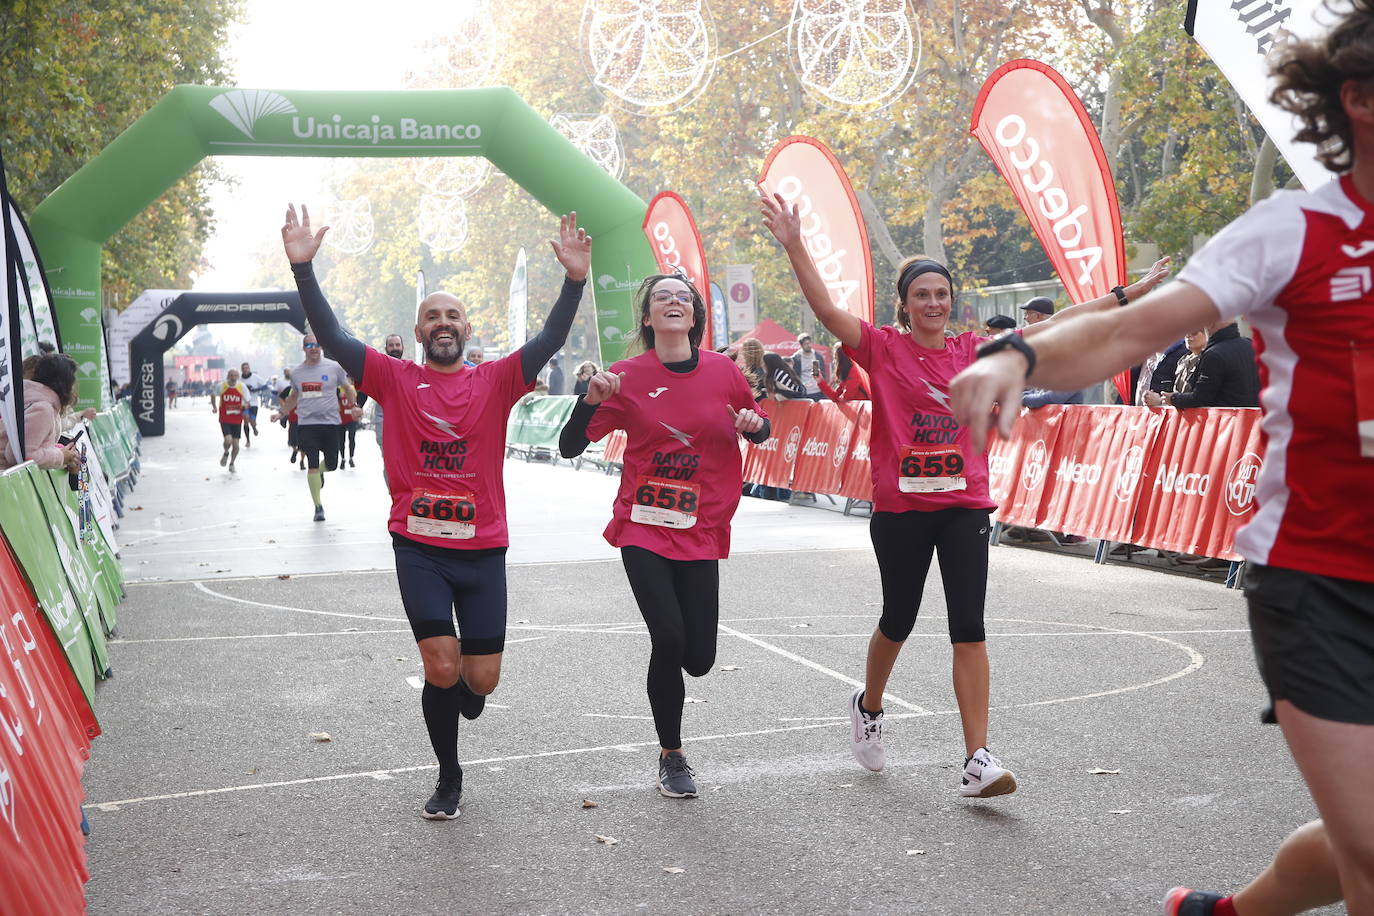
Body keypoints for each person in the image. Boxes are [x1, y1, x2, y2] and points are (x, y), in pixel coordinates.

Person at [951, 6, 1374, 908]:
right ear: (1359, 100)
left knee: (1360, 840)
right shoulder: (1291, 232)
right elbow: (1130, 331)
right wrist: (1018, 356)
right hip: (1319, 583)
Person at [761, 192, 1169, 798]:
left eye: (941, 294)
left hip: (964, 505)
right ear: (904, 304)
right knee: (897, 619)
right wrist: (794, 244)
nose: (933, 302)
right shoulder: (880, 346)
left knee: (968, 628)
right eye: (922, 294)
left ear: (953, 302)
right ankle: (869, 704)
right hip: (901, 509)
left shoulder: (973, 350)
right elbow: (825, 308)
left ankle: (976, 758)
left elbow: (1058, 324)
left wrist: (1127, 294)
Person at [280, 203, 591, 820]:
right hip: (419, 548)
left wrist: (574, 279)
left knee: (481, 682)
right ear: (418, 333)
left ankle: (461, 695)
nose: (442, 323)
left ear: (466, 329)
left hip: (483, 550)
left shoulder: (498, 380)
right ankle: (448, 776)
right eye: (432, 317)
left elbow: (551, 339)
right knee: (440, 664)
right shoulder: (393, 379)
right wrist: (303, 272)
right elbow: (338, 339)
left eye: (452, 315)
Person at [557, 274, 769, 798]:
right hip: (643, 526)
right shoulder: (626, 376)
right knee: (667, 637)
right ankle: (671, 754)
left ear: (694, 317)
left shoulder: (723, 370)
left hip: (703, 527)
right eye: (660, 299)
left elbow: (760, 424)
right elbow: (567, 445)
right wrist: (588, 401)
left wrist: (752, 424)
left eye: (682, 298)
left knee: (699, 658)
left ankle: (674, 719)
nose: (673, 303)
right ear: (648, 319)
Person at [272, 333, 354, 520]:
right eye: (310, 345)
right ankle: (318, 507)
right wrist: (282, 413)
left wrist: (354, 407)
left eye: (317, 344)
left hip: (331, 423)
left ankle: (320, 475)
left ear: (322, 347)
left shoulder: (334, 368)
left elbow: (348, 388)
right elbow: (293, 397)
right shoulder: (297, 373)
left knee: (332, 464)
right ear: (304, 349)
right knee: (312, 464)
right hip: (307, 424)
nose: (314, 348)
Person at [0, 353, 82, 473]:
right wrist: (61, 456)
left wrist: (65, 455)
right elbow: (21, 455)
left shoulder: (33, 400)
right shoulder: (43, 409)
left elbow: (34, 446)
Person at [1153, 317, 1259, 409]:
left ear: (1210, 324)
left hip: (1224, 425)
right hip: (1254, 424)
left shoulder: (1213, 355)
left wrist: (1173, 398)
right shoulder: (1250, 345)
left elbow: (1200, 398)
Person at [1144, 328, 1208, 406]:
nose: (1188, 335)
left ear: (1207, 333)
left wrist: (1161, 401)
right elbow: (1178, 393)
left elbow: (1201, 398)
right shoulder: (1183, 360)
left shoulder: (1210, 360)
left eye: (1194, 332)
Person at [210, 367, 249, 472]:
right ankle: (226, 452)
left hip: (237, 419)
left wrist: (244, 406)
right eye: (231, 375)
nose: (233, 377)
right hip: (225, 418)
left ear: (238, 377)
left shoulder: (242, 386)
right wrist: (214, 407)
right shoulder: (221, 386)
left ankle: (232, 463)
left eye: (235, 375)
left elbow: (247, 401)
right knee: (228, 440)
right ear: (228, 376)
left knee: (236, 445)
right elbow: (213, 395)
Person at [791, 334, 827, 400]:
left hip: (817, 390)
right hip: (804, 392)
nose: (809, 345)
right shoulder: (796, 357)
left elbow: (823, 373)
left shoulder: (817, 355)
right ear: (801, 345)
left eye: (809, 343)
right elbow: (794, 375)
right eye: (806, 344)